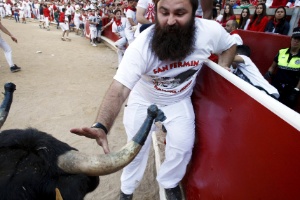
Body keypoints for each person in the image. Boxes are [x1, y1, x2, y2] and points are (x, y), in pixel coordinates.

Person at [70, 0, 236, 199]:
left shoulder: (210, 31)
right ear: (155, 12)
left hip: (178, 100)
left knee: (183, 146)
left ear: (194, 14)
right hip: (142, 99)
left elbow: (230, 45)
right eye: (164, 12)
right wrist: (101, 125)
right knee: (135, 151)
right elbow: (120, 87)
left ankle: (170, 182)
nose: (170, 21)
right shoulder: (141, 46)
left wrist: (224, 68)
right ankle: (127, 190)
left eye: (180, 13)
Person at [264, 27, 300, 110]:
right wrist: (266, 77)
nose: (296, 41)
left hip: (291, 90)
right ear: (291, 39)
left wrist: (296, 91)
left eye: (299, 39)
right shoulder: (281, 52)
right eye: (295, 38)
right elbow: (272, 67)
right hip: (276, 85)